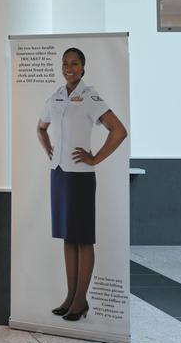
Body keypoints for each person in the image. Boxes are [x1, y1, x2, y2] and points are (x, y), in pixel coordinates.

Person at [36, 47, 126, 322]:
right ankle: (69, 296)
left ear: (83, 67)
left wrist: (95, 158)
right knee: (67, 236)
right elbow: (41, 127)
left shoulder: (90, 97)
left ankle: (81, 300)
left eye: (74, 63)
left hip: (80, 177)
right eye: (65, 64)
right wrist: (49, 149)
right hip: (60, 174)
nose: (69, 68)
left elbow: (118, 130)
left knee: (83, 238)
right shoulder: (56, 96)